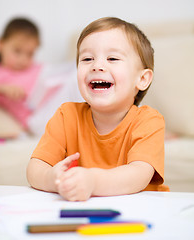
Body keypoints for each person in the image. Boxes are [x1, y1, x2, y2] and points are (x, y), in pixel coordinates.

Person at [27, 17, 169, 202]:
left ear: (142, 79)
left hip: (138, 213)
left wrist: (92, 181)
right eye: (87, 59)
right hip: (84, 213)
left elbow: (138, 175)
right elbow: (35, 168)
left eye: (112, 58)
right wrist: (53, 179)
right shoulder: (66, 115)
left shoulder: (149, 121)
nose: (97, 66)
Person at [0, 17, 41, 130]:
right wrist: (1, 89)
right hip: (35, 120)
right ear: (1, 44)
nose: (23, 60)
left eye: (30, 54)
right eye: (17, 51)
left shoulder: (36, 68)